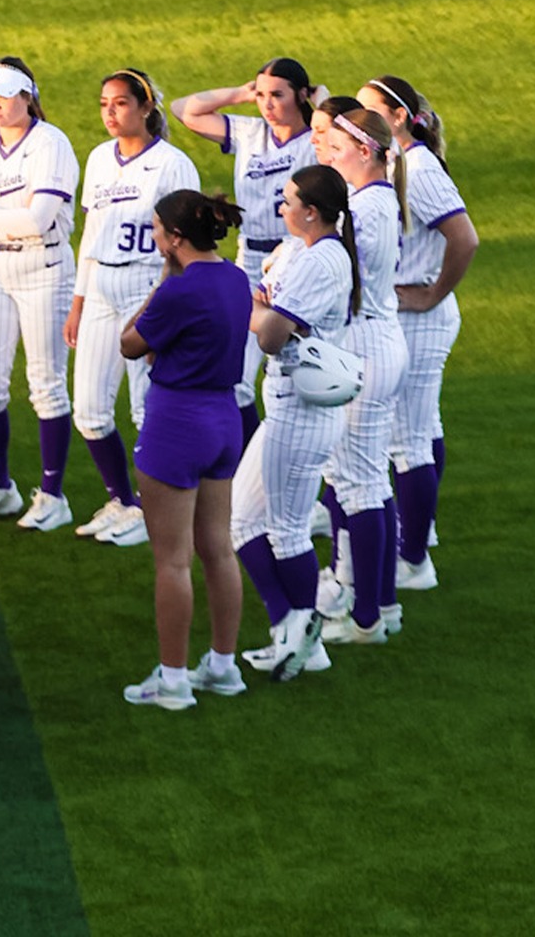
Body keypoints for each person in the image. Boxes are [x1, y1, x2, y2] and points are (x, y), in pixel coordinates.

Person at [116, 190, 252, 710]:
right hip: (223, 420)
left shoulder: (179, 289)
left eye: (157, 231)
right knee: (218, 548)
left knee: (172, 561)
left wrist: (162, 284)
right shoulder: (238, 278)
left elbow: (130, 343)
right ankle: (223, 666)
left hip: (176, 422)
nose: (153, 239)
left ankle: (172, 681)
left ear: (175, 238)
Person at [229, 165, 360, 682]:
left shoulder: (320, 260)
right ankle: (292, 629)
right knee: (242, 520)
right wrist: (262, 309)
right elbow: (264, 308)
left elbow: (269, 335)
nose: (279, 209)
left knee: (285, 531)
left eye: (286, 201)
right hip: (286, 403)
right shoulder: (298, 251)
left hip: (302, 408)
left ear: (311, 210)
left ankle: (303, 637)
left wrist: (259, 311)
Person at [68, 69, 200, 548]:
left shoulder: (172, 164)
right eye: (104, 103)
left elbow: (187, 246)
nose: (109, 112)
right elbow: (90, 235)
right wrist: (78, 303)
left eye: (120, 103)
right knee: (89, 411)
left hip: (147, 287)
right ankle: (122, 500)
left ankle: (150, 510)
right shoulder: (100, 158)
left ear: (145, 108)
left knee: (148, 411)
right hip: (101, 287)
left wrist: (166, 309)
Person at [0, 57, 82, 532]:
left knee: (45, 384)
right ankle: (0, 488)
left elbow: (39, 220)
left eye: (4, 93)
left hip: (44, 267)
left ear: (28, 95)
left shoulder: (52, 143)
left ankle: (53, 495)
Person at [360, 76, 475, 598]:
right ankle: (419, 530)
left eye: (369, 111)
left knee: (407, 441)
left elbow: (464, 238)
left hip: (419, 316)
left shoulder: (418, 169)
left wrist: (431, 293)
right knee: (421, 429)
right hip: (407, 312)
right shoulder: (394, 163)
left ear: (399, 117)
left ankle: (413, 560)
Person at [170, 58, 322, 442]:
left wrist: (322, 103)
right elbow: (183, 109)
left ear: (301, 95)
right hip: (251, 262)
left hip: (299, 262)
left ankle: (321, 486)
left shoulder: (318, 141)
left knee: (306, 376)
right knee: (236, 381)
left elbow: (350, 127)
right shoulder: (249, 132)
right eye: (262, 95)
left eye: (278, 95)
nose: (267, 104)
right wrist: (241, 93)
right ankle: (250, 473)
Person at [314, 109, 408, 645]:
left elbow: (339, 273)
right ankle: (378, 600)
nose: (328, 151)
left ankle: (366, 618)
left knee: (358, 482)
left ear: (365, 151)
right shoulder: (373, 200)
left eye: (338, 145)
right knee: (362, 477)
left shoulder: (365, 206)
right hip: (371, 339)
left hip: (361, 345)